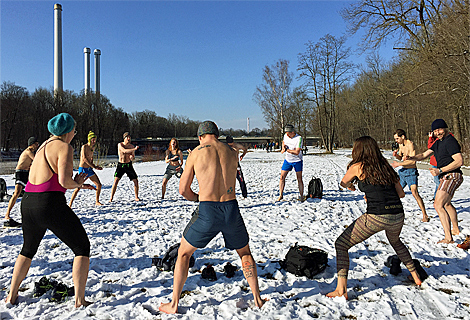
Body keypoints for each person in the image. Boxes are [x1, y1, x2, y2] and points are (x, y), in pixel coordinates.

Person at [159, 121, 266, 314]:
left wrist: (198, 198)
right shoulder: (231, 152)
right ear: (217, 134)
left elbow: (183, 190)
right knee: (245, 253)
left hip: (208, 210)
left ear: (200, 136)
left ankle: (174, 304)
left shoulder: (196, 153)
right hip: (231, 208)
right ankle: (257, 298)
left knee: (184, 253)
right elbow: (236, 154)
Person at [5, 113, 94, 308]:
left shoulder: (42, 146)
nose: (74, 134)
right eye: (75, 131)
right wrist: (78, 183)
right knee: (81, 248)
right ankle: (80, 300)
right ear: (68, 131)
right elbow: (64, 181)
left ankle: (11, 295)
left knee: (27, 250)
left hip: (27, 203)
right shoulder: (64, 147)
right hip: (49, 203)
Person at [326, 136, 423, 299]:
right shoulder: (386, 166)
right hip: (398, 215)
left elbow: (343, 183)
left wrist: (351, 185)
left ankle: (341, 290)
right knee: (396, 242)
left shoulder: (358, 166)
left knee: (341, 244)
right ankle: (416, 277)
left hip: (377, 215)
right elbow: (401, 194)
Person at [404, 119, 463, 244]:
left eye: (440, 129)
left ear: (445, 128)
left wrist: (440, 170)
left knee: (438, 205)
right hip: (446, 176)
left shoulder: (450, 141)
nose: (438, 132)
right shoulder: (438, 142)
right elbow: (425, 154)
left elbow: (459, 161)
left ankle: (448, 238)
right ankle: (456, 230)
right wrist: (412, 157)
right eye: (435, 131)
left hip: (452, 175)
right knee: (446, 204)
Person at [391, 129, 429, 222]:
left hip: (411, 171)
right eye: (395, 139)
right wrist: (396, 156)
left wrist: (398, 164)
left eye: (397, 138)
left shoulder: (411, 144)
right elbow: (401, 157)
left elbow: (412, 161)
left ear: (403, 136)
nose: (396, 141)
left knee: (414, 192)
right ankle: (394, 212)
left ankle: (425, 215)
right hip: (403, 171)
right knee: (395, 192)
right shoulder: (400, 144)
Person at [3, 137, 39, 228]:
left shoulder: (30, 152)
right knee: (16, 193)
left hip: (26, 173)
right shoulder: (28, 152)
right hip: (20, 173)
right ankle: (7, 214)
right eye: (36, 144)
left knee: (32, 193)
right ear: (32, 144)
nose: (37, 146)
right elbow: (37, 162)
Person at [69, 131, 103, 207]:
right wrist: (93, 167)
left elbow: (90, 158)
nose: (94, 141)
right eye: (92, 139)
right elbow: (84, 159)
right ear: (89, 139)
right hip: (83, 169)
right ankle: (70, 204)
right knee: (78, 187)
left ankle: (97, 201)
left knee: (99, 185)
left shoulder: (93, 148)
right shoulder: (84, 147)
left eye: (95, 139)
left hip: (89, 169)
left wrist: (95, 166)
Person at [109, 132, 140, 202]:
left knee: (135, 180)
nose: (128, 139)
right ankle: (111, 198)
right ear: (124, 138)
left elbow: (133, 157)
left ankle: (136, 197)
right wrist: (134, 149)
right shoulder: (120, 145)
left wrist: (132, 157)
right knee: (116, 180)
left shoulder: (131, 146)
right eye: (127, 137)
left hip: (128, 165)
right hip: (121, 165)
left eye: (129, 137)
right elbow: (124, 151)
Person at [278, 124, 304, 202]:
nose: (287, 135)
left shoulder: (299, 138)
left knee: (299, 178)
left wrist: (287, 150)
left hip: (297, 161)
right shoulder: (285, 136)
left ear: (293, 132)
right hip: (288, 160)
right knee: (282, 177)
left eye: (289, 133)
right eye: (286, 133)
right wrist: (283, 147)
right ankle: (281, 195)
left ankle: (301, 196)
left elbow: (297, 152)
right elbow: (283, 142)